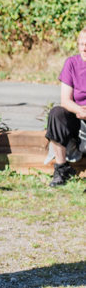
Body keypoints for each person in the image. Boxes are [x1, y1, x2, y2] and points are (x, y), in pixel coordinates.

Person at [44, 27, 86, 188]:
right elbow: (65, 100)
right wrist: (80, 110)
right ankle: (61, 169)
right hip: (77, 115)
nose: (84, 48)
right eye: (81, 44)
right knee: (56, 113)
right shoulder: (71, 63)